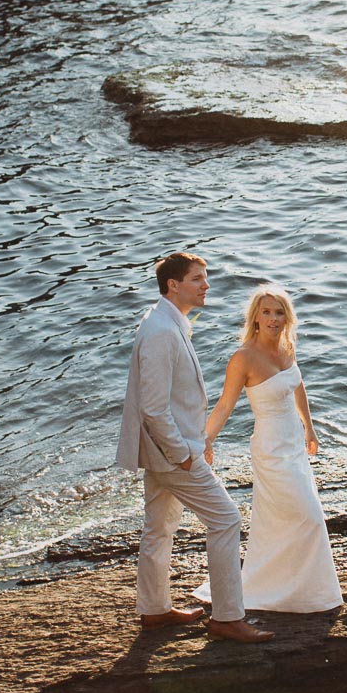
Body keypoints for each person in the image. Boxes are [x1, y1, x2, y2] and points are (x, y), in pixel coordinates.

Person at [116, 251, 271, 644]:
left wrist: (198, 442)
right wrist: (184, 454)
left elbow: (172, 401)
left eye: (206, 278)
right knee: (226, 519)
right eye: (198, 279)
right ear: (173, 284)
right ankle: (227, 617)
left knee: (159, 528)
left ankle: (154, 610)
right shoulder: (161, 331)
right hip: (172, 454)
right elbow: (153, 408)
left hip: (169, 450)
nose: (206, 285)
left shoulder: (167, 322)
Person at [200, 284, 342, 613]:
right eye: (266, 312)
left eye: (279, 312)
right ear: (255, 318)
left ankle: (301, 590)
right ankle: (288, 592)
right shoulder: (243, 358)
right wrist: (206, 439)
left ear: (287, 317)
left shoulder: (287, 347)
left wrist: (310, 427)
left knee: (285, 519)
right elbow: (224, 405)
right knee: (309, 516)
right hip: (270, 449)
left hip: (294, 443)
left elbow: (298, 385)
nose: (273, 319)